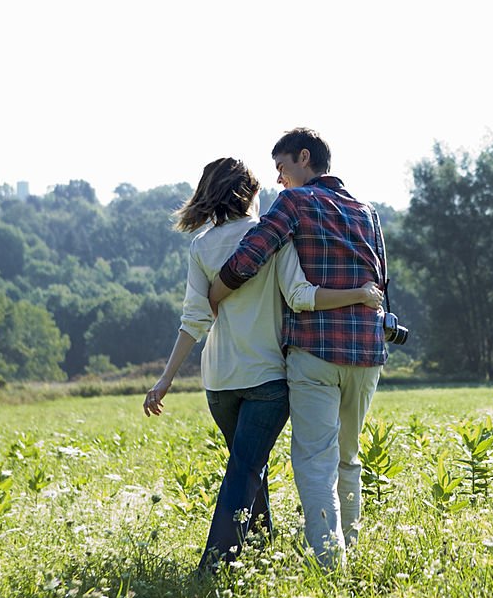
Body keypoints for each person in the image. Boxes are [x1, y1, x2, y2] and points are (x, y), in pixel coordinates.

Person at [142, 157, 381, 572]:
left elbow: (194, 319)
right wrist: (359, 294)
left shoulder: (200, 245)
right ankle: (214, 567)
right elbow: (300, 296)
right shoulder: (274, 238)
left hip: (218, 380)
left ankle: (258, 551)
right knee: (247, 468)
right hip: (268, 377)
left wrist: (164, 380)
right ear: (250, 195)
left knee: (249, 465)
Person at [209, 128, 387, 568]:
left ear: (304, 158)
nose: (279, 180)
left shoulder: (294, 203)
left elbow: (252, 253)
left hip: (315, 351)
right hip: (367, 352)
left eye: (282, 168)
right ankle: (352, 546)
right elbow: (381, 283)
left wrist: (217, 291)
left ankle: (330, 562)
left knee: (313, 459)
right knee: (349, 455)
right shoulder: (368, 212)